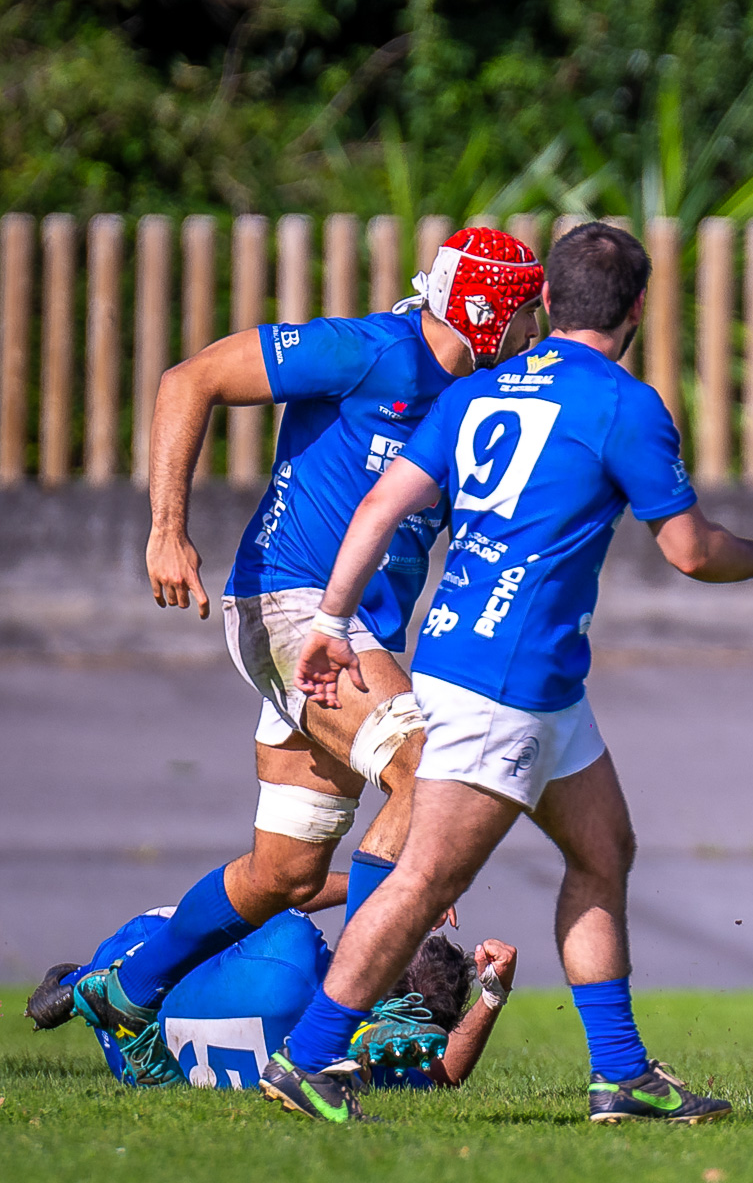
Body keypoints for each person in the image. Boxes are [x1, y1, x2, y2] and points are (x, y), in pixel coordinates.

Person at [260, 221, 753, 1126]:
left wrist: (329, 620)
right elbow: (690, 552)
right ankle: (309, 1058)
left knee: (603, 850)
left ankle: (620, 1075)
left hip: (532, 682)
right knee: (426, 879)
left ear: (545, 300)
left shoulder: (481, 391)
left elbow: (385, 501)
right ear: (635, 309)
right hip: (503, 687)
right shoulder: (623, 404)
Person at [71, 228, 545, 1088]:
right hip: (290, 606)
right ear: (487, 313)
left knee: (284, 875)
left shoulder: (477, 401)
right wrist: (167, 531)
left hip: (353, 637)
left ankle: (127, 991)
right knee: (428, 771)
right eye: (529, 311)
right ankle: (371, 1003)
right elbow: (192, 378)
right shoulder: (368, 350)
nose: (540, 328)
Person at [29, 876, 517, 1091]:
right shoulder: (384, 1070)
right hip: (127, 1063)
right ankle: (86, 991)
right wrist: (493, 996)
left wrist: (400, 889)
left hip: (127, 962)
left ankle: (84, 985)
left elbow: (283, 888)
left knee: (245, 900)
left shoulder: (295, 951)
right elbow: (446, 1073)